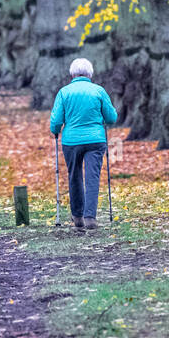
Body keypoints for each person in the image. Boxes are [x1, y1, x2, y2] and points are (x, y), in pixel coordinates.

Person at [49, 57, 117, 231]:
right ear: (90, 73)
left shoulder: (64, 92)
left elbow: (56, 121)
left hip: (71, 141)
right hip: (96, 140)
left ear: (72, 74)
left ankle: (77, 217)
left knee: (75, 176)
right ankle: (90, 218)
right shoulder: (99, 91)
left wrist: (55, 130)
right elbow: (111, 117)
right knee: (92, 177)